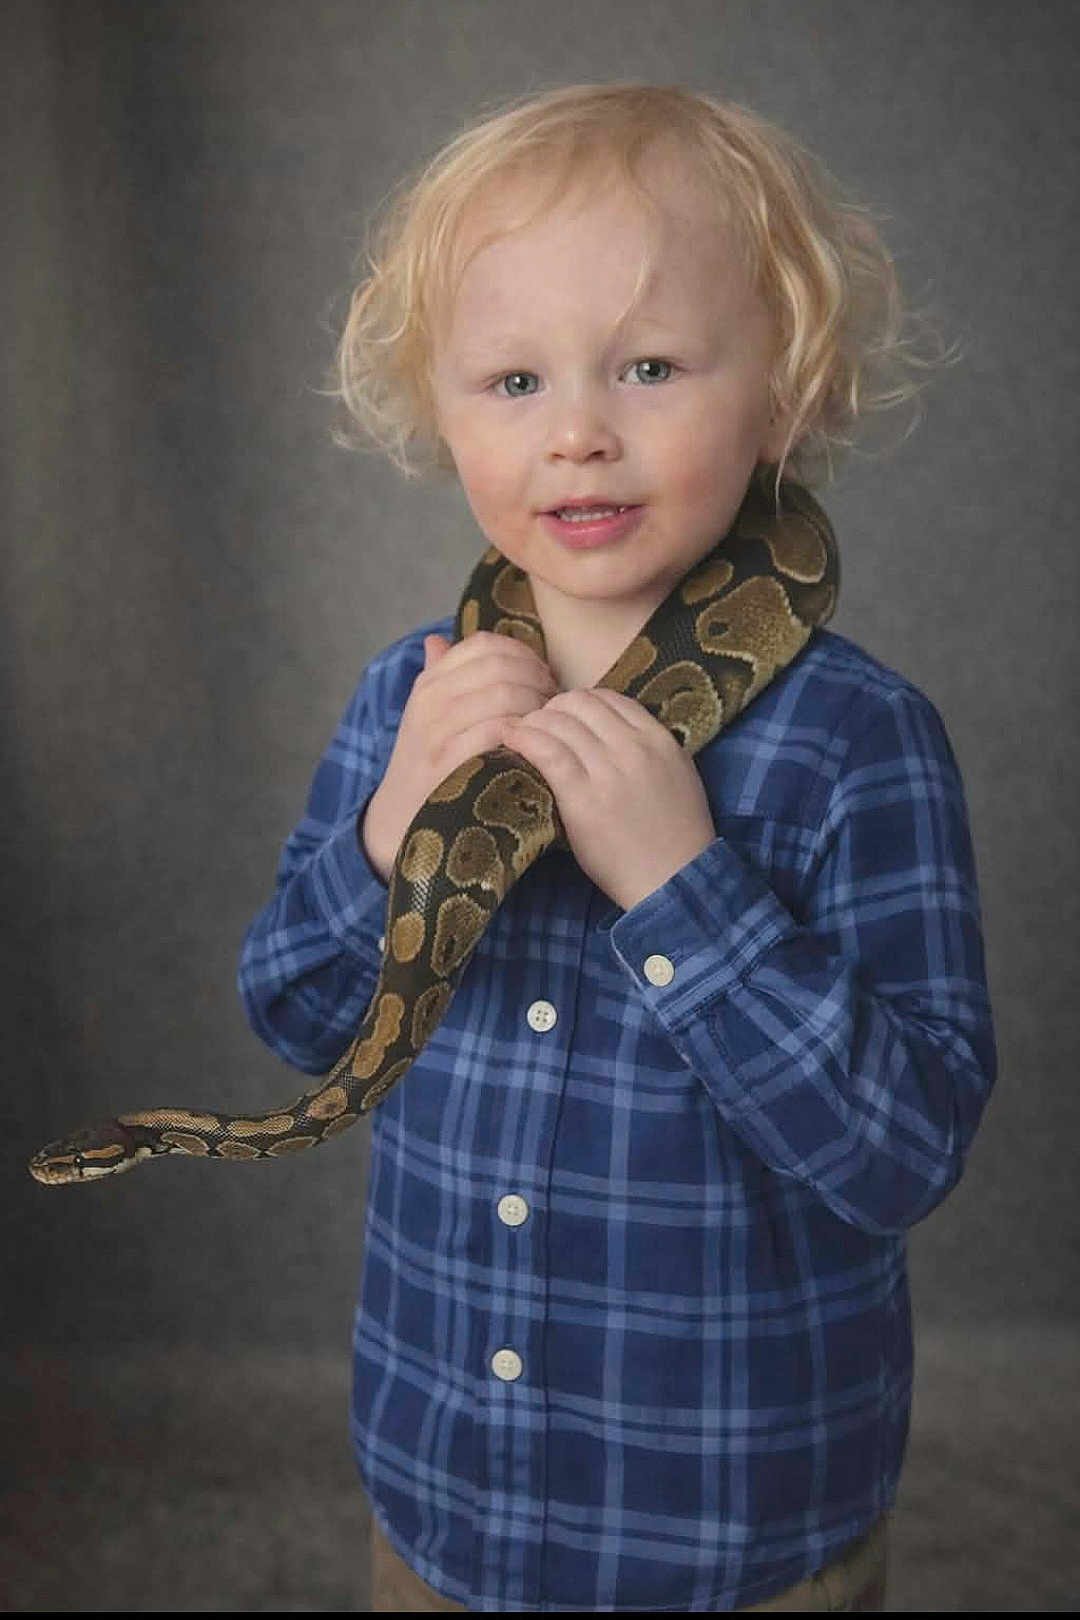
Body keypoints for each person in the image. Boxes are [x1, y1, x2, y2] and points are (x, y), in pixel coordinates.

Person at [239, 85, 995, 1612]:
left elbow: (906, 1149)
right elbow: (301, 1018)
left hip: (732, 1513)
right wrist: (393, 832)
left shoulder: (856, 741)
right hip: (445, 1487)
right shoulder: (413, 698)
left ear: (780, 397)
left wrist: (683, 887)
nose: (580, 430)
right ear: (440, 416)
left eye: (650, 366)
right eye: (512, 379)